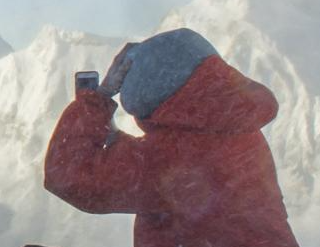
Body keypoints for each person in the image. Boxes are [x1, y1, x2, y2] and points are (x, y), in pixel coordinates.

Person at [44, 28, 299, 247]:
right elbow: (176, 160)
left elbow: (68, 175)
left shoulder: (169, 160)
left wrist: (99, 99)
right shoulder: (236, 125)